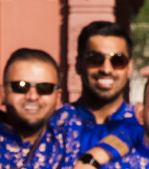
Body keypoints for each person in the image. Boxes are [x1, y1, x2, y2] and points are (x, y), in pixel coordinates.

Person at [62, 20, 144, 156]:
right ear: (78, 65)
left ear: (129, 68)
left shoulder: (143, 128)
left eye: (118, 61)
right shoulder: (56, 126)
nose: (106, 69)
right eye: (95, 59)